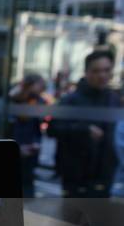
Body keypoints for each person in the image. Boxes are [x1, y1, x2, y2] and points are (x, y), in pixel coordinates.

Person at [48, 51, 120, 198]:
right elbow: (52, 129)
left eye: (106, 70)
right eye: (96, 71)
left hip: (105, 174)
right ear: (87, 72)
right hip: (76, 176)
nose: (102, 75)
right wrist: (84, 130)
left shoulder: (114, 99)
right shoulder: (70, 100)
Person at [9, 73, 47, 197]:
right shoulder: (14, 99)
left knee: (27, 183)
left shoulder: (37, 101)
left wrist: (36, 143)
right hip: (16, 147)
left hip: (29, 149)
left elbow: (36, 126)